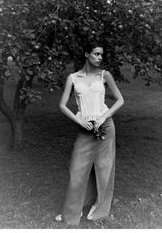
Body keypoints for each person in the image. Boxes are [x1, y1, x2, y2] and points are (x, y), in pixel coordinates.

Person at [55, 39, 124, 226]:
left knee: (104, 169)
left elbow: (120, 100)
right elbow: (62, 105)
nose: (100, 57)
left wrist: (103, 117)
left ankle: (100, 209)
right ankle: (71, 213)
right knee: (76, 171)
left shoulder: (105, 75)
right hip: (84, 128)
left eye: (101, 54)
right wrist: (79, 120)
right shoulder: (73, 78)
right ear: (86, 54)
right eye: (96, 54)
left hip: (105, 126)